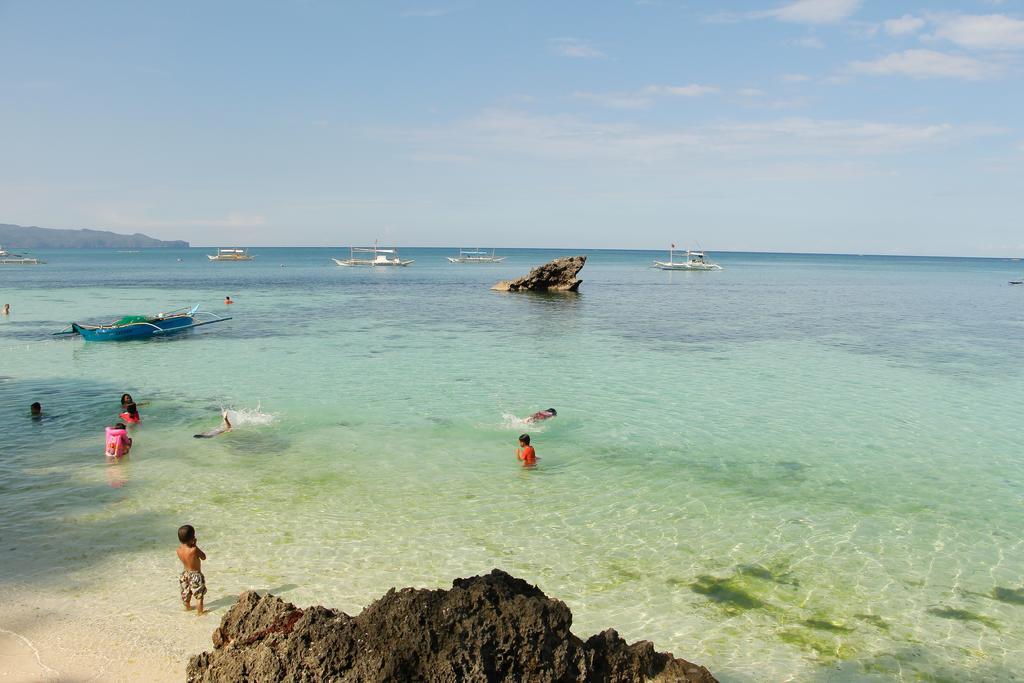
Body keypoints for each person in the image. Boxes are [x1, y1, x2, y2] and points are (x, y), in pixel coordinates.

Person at [177, 525, 207, 615]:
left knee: (186, 594)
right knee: (199, 596)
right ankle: (200, 613)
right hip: (195, 576)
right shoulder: (194, 550)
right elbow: (204, 557)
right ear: (192, 538)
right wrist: (195, 546)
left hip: (185, 575)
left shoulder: (178, 550)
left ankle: (187, 608)